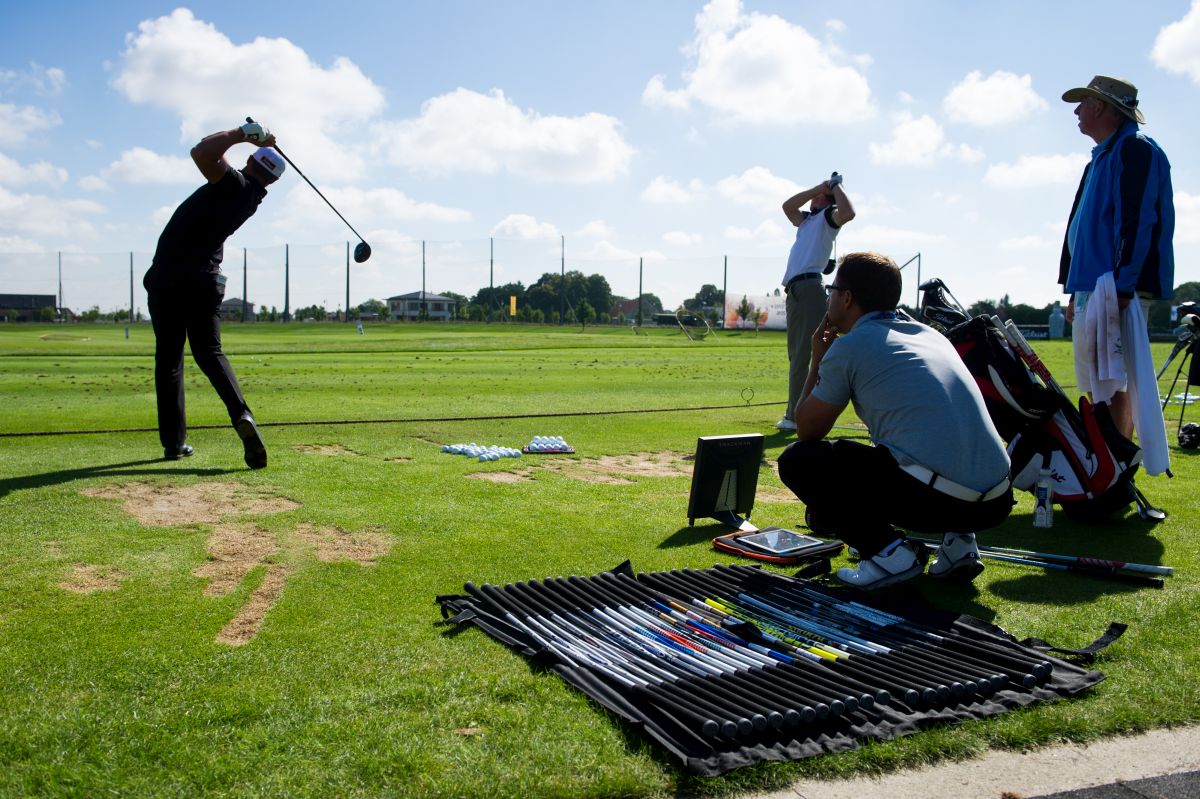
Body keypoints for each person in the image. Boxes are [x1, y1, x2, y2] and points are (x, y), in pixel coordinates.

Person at [776, 252, 1013, 589]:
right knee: (920, 444)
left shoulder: (852, 346)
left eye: (833, 289)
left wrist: (817, 359)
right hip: (997, 500)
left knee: (800, 461)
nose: (829, 296)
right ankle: (960, 545)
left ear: (846, 298)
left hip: (940, 502)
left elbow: (808, 428)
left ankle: (888, 554)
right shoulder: (932, 336)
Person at [142, 121, 283, 468]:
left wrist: (242, 133)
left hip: (170, 279)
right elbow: (207, 150)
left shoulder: (233, 184)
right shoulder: (250, 196)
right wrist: (251, 137)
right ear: (273, 181)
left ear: (251, 163)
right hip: (204, 282)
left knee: (170, 361)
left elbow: (201, 151)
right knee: (210, 354)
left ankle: (174, 444)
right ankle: (242, 415)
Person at [1059, 75, 1174, 446]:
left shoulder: (1134, 149)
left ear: (1101, 107)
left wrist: (1123, 285)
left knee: (1110, 379)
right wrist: (1071, 288)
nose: (1077, 111)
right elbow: (1079, 227)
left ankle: (1116, 464)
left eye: (1083, 103)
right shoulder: (1101, 158)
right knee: (1095, 380)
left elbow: (1138, 219)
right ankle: (1108, 461)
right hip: (1092, 286)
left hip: (1112, 286)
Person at [775, 173, 855, 432]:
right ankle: (801, 411)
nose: (814, 197)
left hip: (809, 289)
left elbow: (849, 212)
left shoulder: (828, 215)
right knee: (799, 354)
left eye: (820, 194)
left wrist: (836, 187)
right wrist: (819, 188)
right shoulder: (807, 220)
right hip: (798, 291)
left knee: (805, 354)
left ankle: (795, 416)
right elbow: (787, 206)